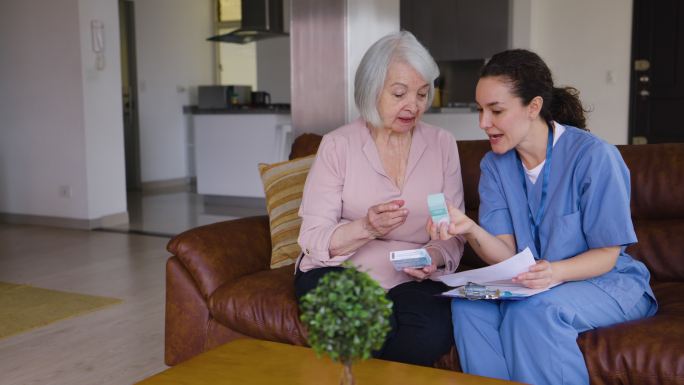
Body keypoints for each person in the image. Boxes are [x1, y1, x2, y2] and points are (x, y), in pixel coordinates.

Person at [430, 49, 658, 384]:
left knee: (533, 311)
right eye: (480, 110)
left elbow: (607, 255)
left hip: (604, 282)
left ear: (533, 107)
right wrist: (470, 230)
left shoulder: (594, 157)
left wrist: (554, 272)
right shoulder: (494, 166)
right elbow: (506, 255)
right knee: (469, 305)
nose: (483, 123)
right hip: (533, 284)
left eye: (496, 110)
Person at [294, 31, 465, 367]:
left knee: (429, 335)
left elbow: (453, 233)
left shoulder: (442, 144)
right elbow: (312, 237)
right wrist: (366, 227)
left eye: (421, 93)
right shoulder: (337, 145)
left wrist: (432, 255)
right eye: (399, 93)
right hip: (341, 270)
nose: (413, 105)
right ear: (371, 91)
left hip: (412, 279)